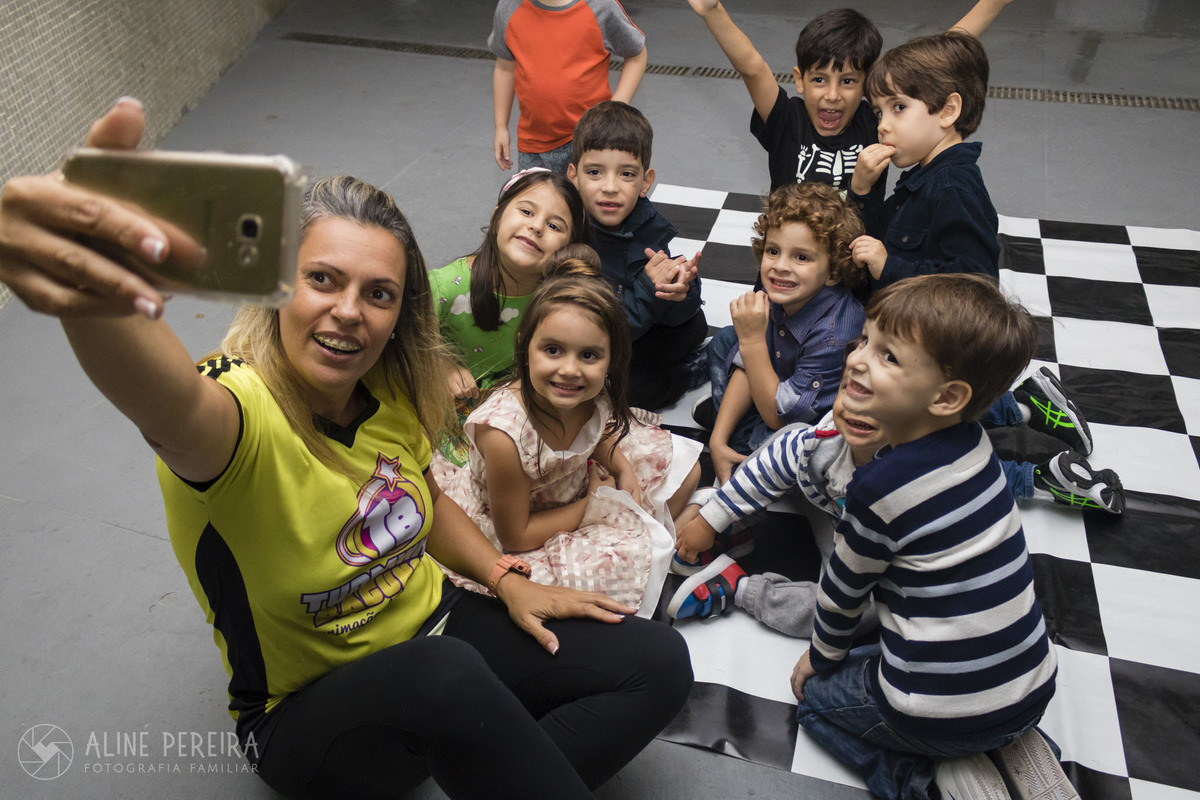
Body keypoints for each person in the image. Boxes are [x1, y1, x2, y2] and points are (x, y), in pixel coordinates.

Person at [0, 97, 693, 799]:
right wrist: (88, 295)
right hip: (308, 713)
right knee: (443, 675)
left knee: (659, 661)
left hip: (434, 629)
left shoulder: (390, 391)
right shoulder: (233, 413)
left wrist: (506, 578)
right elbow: (164, 400)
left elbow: (423, 496)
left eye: (379, 294)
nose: (348, 311)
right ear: (278, 288)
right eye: (323, 279)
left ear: (400, 314)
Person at [790, 274, 1077, 800]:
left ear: (947, 397)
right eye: (865, 341)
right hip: (1032, 692)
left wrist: (820, 660)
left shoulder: (878, 487)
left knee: (813, 701)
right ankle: (1016, 748)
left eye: (888, 356)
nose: (856, 359)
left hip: (936, 712)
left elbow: (841, 595)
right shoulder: (977, 448)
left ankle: (930, 780)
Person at [848, 30, 1102, 466]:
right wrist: (863, 189)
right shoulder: (921, 177)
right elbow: (871, 239)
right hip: (904, 331)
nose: (883, 124)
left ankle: (1022, 439)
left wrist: (891, 267)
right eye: (879, 111)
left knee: (917, 427)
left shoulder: (954, 187)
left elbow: (974, 282)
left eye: (899, 107)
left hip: (931, 343)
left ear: (948, 110)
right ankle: (1024, 405)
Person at [434, 258, 703, 611]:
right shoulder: (504, 435)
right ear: (524, 346)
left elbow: (598, 432)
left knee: (687, 468)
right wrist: (594, 504)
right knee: (603, 573)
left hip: (581, 487)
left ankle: (665, 544)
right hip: (523, 528)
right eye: (553, 350)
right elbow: (515, 535)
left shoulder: (587, 392)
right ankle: (667, 546)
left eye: (589, 355)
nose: (570, 370)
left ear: (611, 359)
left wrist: (621, 467)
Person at [684, 0, 1012, 202]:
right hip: (788, 268)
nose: (832, 95)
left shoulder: (876, 124)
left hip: (855, 276)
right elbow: (753, 68)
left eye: (849, 81)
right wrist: (713, 11)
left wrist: (991, 3)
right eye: (819, 80)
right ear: (799, 80)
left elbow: (939, 58)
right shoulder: (786, 120)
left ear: (867, 83)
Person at [695, 182, 865, 487]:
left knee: (774, 438)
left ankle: (744, 437)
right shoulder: (783, 293)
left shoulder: (834, 334)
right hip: (780, 387)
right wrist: (717, 441)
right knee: (726, 340)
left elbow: (781, 418)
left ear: (834, 273)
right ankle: (734, 432)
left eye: (801, 257)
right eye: (773, 251)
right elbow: (746, 361)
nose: (780, 267)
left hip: (808, 424)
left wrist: (752, 340)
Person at [429, 167, 592, 465]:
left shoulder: (556, 302)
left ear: (566, 251)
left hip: (523, 414)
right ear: (495, 219)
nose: (537, 227)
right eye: (527, 211)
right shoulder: (442, 287)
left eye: (555, 226)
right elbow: (398, 340)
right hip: (447, 423)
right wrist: (440, 364)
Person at [567, 100, 707, 410]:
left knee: (693, 323)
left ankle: (693, 361)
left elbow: (668, 313)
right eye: (595, 172)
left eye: (627, 174)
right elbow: (598, 330)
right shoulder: (568, 235)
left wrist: (679, 290)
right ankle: (688, 374)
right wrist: (647, 288)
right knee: (629, 392)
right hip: (593, 337)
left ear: (646, 182)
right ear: (573, 176)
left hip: (634, 331)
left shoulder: (647, 224)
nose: (610, 187)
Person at [491, 0, 648, 173]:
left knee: (587, 200)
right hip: (533, 144)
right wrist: (501, 126)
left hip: (592, 140)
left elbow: (636, 55)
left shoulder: (600, 6)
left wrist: (616, 107)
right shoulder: (509, 7)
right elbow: (504, 68)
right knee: (538, 199)